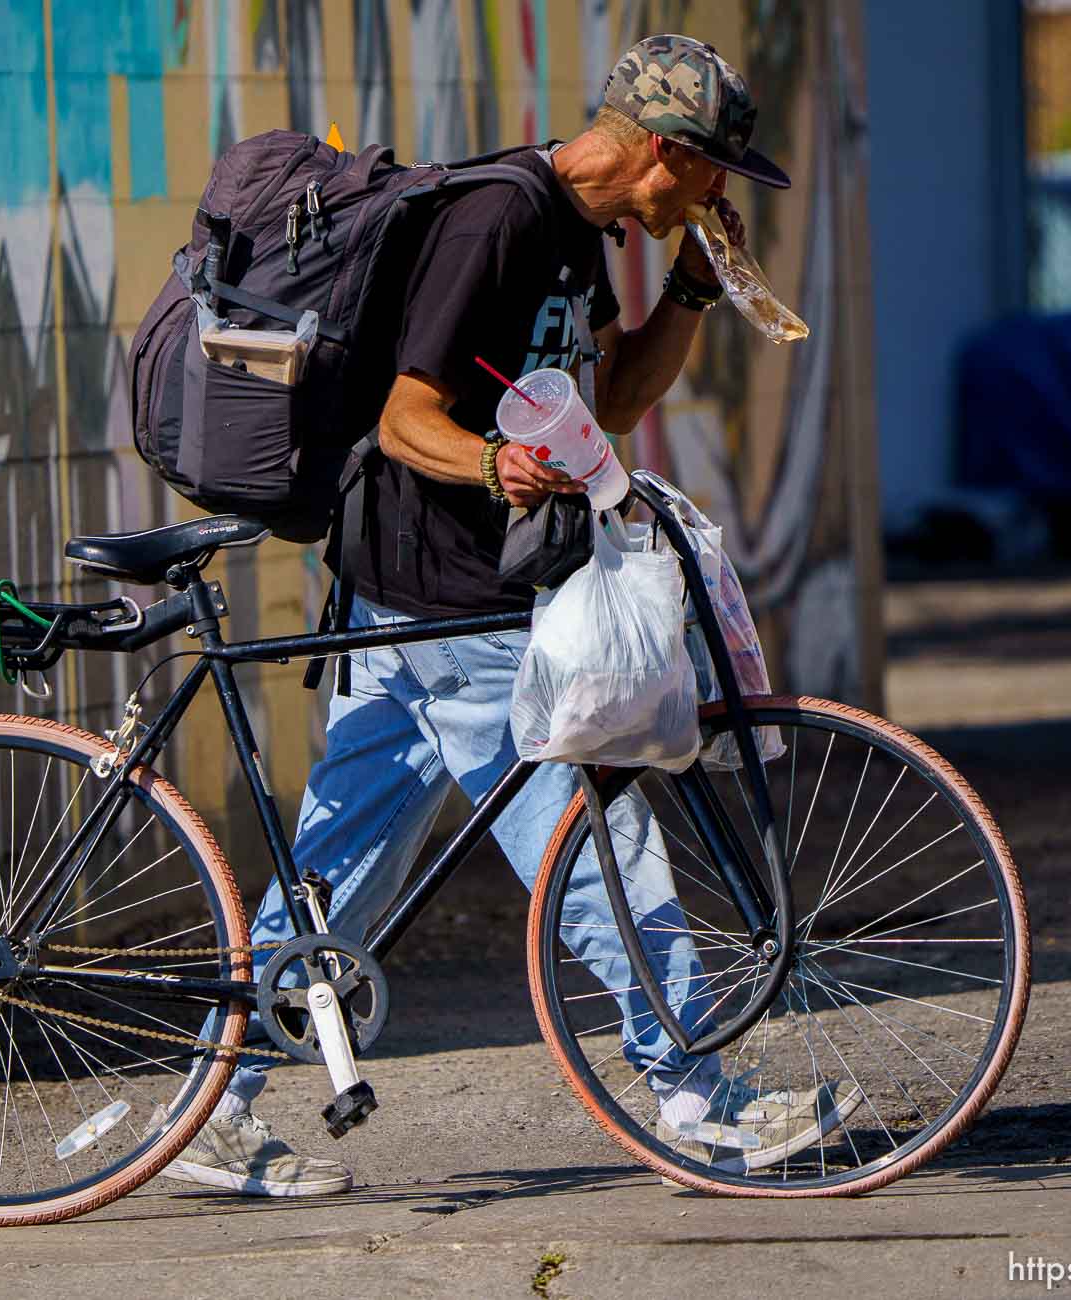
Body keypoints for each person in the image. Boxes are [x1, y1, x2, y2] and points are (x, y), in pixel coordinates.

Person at [159, 35, 856, 1197]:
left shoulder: (582, 238)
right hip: (451, 593)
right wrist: (494, 466)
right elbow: (404, 421)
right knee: (598, 831)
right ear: (665, 153)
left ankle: (206, 1107)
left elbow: (613, 399)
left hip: (424, 595)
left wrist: (688, 283)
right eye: (716, 172)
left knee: (343, 866)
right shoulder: (499, 221)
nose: (721, 194)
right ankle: (696, 1094)